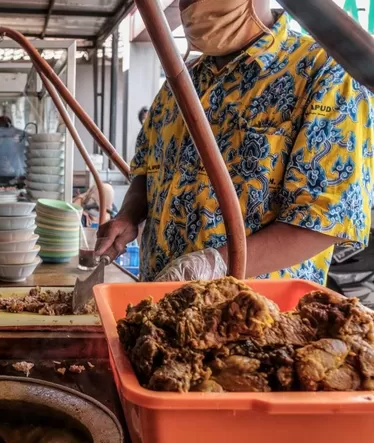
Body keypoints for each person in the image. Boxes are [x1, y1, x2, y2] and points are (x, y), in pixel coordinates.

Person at [96, 0, 372, 285]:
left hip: (256, 316)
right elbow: (146, 170)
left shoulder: (324, 74)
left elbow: (327, 219)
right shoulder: (181, 80)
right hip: (159, 301)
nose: (191, 4)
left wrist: (217, 263)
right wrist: (129, 215)